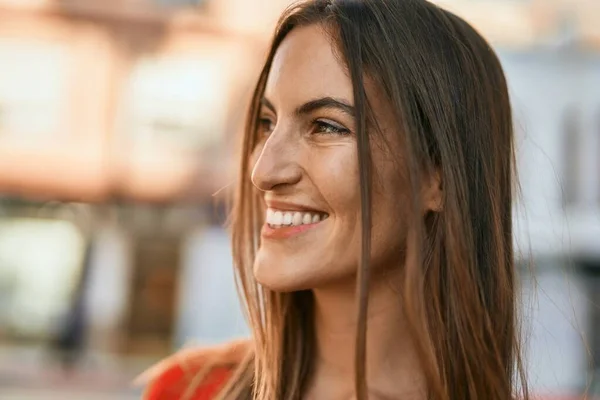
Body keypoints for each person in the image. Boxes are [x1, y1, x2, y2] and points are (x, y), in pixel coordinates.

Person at [140, 0, 530, 399]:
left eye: (325, 126)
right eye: (267, 123)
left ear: (438, 177)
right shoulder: (189, 390)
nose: (263, 172)